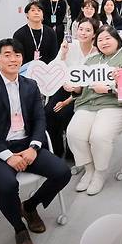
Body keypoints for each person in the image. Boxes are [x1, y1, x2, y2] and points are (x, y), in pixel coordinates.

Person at [0, 39, 71, 244]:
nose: (13, 58)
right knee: (7, 186)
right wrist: (7, 156)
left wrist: (34, 147)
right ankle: (19, 228)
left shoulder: (30, 85)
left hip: (26, 145)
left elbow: (39, 119)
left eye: (17, 54)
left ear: (22, 59)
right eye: (7, 54)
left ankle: (30, 205)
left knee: (62, 172)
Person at [67, 25, 122, 195]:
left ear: (116, 40)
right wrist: (74, 88)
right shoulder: (91, 60)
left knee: (99, 135)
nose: (104, 42)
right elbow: (81, 88)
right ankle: (89, 169)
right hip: (88, 104)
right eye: (100, 39)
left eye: (108, 38)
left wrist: (110, 87)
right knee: (74, 133)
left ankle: (100, 173)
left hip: (115, 105)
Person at [45, 17, 100, 158]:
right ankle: (56, 150)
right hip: (65, 87)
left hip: (84, 93)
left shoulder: (97, 52)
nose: (83, 33)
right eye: (81, 29)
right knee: (48, 112)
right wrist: (63, 53)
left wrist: (76, 90)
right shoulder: (70, 45)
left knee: (67, 114)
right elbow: (56, 67)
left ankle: (72, 152)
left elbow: (92, 80)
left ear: (94, 34)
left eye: (88, 30)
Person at [13, 1, 58, 65]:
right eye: (33, 10)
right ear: (27, 14)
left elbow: (54, 54)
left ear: (43, 14)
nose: (36, 12)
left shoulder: (51, 32)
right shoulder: (19, 34)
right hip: (26, 70)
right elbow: (18, 55)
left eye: (39, 10)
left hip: (47, 69)